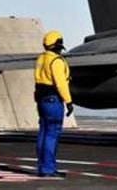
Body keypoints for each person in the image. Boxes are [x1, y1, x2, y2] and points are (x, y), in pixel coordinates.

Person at [34, 30, 74, 177]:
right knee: (52, 134)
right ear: (57, 45)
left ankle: (42, 167)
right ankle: (48, 169)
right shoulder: (56, 61)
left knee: (43, 133)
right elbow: (61, 84)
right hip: (53, 101)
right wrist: (69, 102)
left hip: (41, 101)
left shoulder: (41, 59)